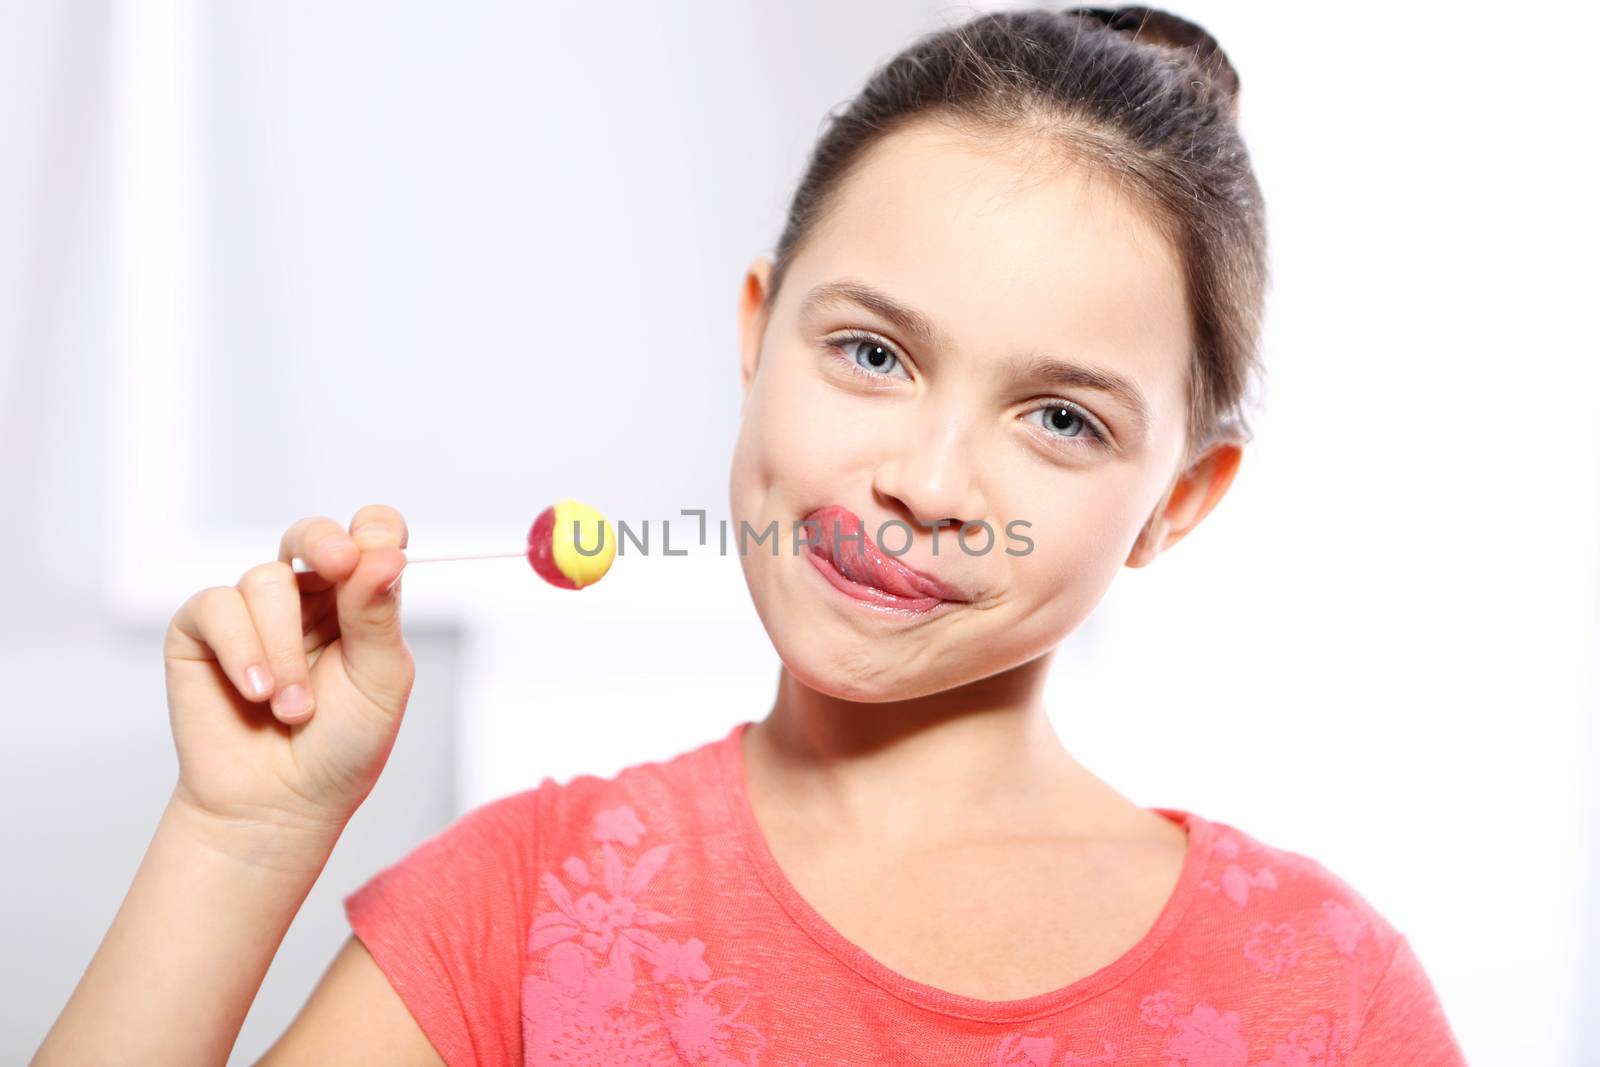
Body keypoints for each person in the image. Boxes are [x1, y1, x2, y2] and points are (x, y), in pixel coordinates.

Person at [33, 6, 1469, 1065]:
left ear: (1180, 503)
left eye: (1063, 422)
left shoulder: (1328, 996)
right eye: (872, 356)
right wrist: (237, 840)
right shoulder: (526, 907)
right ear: (757, 333)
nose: (926, 478)